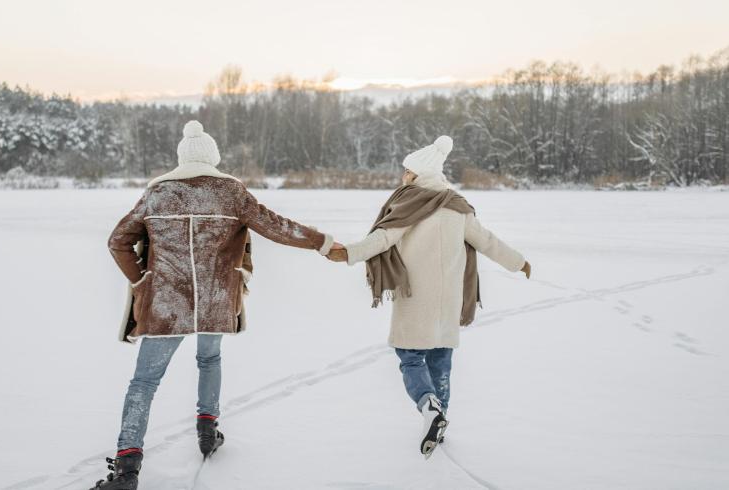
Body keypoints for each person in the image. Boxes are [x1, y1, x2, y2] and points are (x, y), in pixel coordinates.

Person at [93, 121, 341, 490]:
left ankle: (127, 468)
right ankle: (208, 429)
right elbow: (276, 226)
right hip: (215, 301)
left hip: (166, 305)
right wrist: (322, 243)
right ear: (213, 158)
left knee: (144, 382)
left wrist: (143, 280)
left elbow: (118, 241)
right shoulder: (231, 193)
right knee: (209, 360)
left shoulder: (157, 194)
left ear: (181, 158)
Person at [327, 135, 531, 459]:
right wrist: (518, 262)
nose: (402, 176)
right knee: (441, 362)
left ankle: (428, 406)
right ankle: (440, 421)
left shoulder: (410, 205)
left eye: (406, 170)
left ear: (417, 174)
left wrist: (349, 252)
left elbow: (382, 238)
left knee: (409, 356)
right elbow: (487, 241)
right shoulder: (458, 208)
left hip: (416, 298)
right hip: (449, 300)